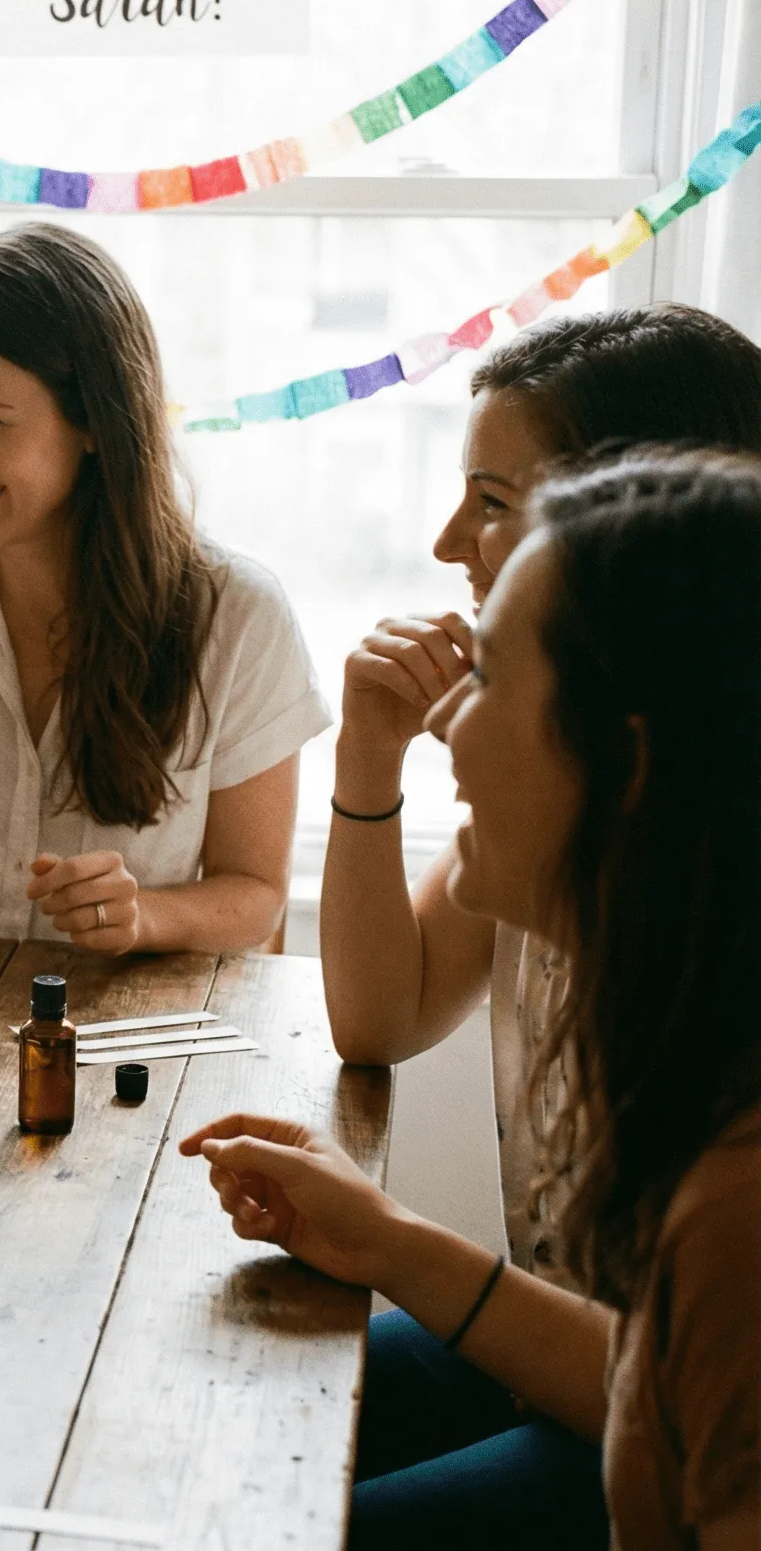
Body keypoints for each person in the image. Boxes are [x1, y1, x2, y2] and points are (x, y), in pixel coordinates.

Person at [186, 448, 761, 1551]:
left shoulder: (737, 1215)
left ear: (622, 765)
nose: (448, 720)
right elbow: (659, 1380)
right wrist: (391, 1240)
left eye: (491, 676)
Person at [316, 307, 761, 1541]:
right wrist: (364, 764)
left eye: (494, 501)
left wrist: (398, 1245)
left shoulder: (734, 1209)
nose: (446, 541)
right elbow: (377, 1016)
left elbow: (650, 1385)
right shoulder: (608, 857)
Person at [0, 223, 328, 950]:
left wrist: (146, 917)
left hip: (122, 1041)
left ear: (95, 423)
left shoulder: (237, 616)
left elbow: (258, 896)